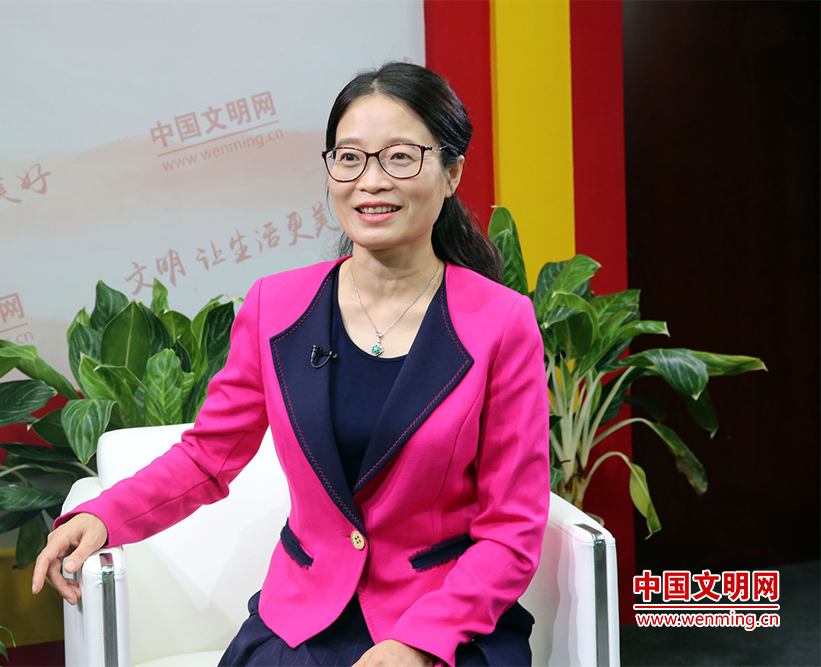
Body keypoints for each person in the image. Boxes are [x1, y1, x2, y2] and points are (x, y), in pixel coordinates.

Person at [33, 62, 550, 667]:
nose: (370, 181)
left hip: (444, 624)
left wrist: (419, 642)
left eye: (400, 158)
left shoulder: (501, 322)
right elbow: (207, 457)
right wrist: (105, 515)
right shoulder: (275, 307)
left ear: (451, 172)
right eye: (349, 158)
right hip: (305, 617)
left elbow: (511, 529)